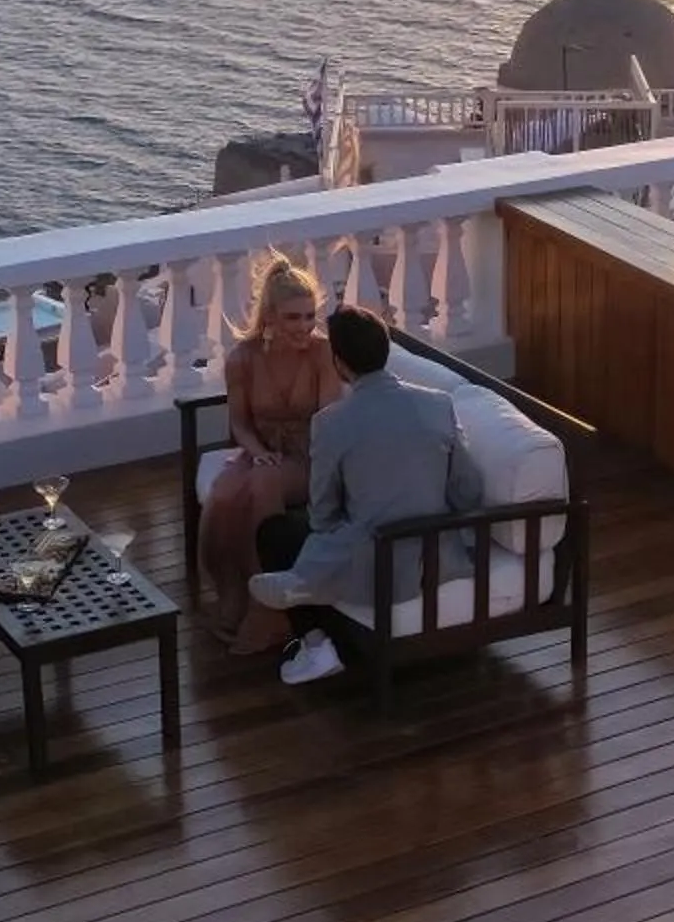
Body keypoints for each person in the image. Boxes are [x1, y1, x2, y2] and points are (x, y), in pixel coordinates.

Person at [248, 307, 488, 687]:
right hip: (437, 551)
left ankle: (315, 641)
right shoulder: (438, 405)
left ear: (340, 363)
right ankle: (303, 584)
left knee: (277, 533)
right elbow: (468, 489)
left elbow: (323, 515)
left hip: (375, 558)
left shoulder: (330, 423)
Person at [199, 256, 344, 654]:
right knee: (225, 494)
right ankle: (231, 592)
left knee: (262, 484)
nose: (304, 326)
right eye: (293, 317)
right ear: (271, 316)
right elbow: (240, 424)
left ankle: (269, 608)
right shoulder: (242, 359)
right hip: (261, 451)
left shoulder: (322, 354)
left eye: (309, 316)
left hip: (310, 454)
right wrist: (259, 452)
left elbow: (328, 421)